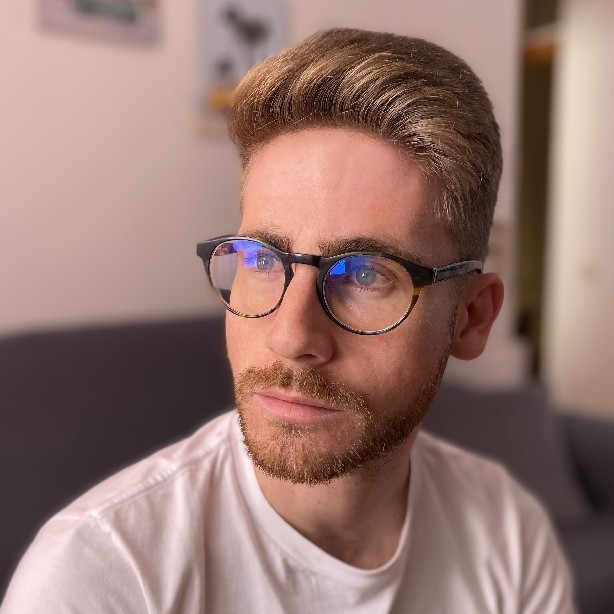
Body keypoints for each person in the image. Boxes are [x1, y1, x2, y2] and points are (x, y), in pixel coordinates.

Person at [1, 28, 575, 613]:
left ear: (471, 318)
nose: (291, 336)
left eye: (366, 275)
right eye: (261, 260)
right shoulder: (99, 577)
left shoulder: (509, 535)